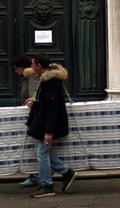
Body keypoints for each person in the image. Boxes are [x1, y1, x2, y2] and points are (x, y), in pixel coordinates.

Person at [26, 54, 76, 198]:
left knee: (42, 153)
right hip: (43, 124)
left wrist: (49, 131)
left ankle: (47, 185)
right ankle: (67, 172)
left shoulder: (50, 82)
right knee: (43, 153)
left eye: (33, 64)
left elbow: (52, 108)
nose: (31, 67)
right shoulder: (47, 80)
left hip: (46, 125)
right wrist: (34, 100)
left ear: (39, 66)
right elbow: (46, 100)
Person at [10, 54, 41, 187]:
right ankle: (34, 175)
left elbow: (35, 93)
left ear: (22, 67)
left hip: (32, 114)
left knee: (34, 147)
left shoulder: (31, 76)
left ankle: (36, 176)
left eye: (16, 69)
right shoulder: (27, 76)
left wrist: (28, 104)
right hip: (29, 113)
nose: (15, 72)